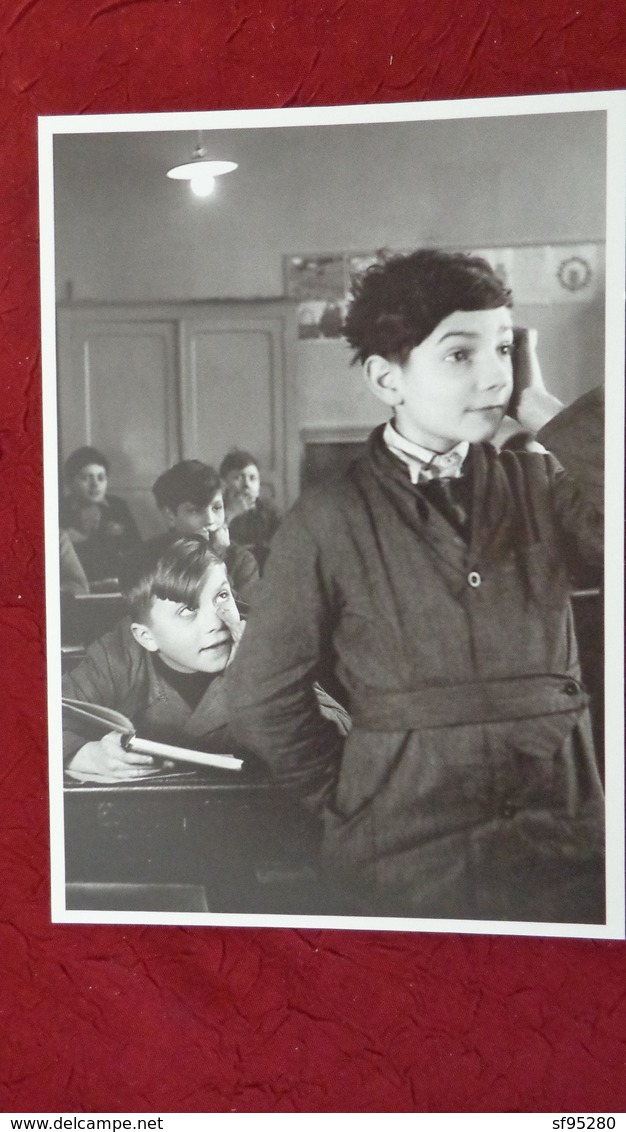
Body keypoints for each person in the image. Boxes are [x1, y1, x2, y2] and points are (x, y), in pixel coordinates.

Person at [228, 248, 605, 925]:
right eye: (461, 355)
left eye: (501, 348)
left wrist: (542, 406)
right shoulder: (327, 518)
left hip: (566, 859)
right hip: (406, 868)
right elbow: (261, 697)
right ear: (386, 378)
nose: (492, 375)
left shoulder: (540, 485)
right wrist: (360, 795)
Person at [63, 536, 349, 782]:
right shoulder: (117, 655)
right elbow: (38, 719)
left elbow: (341, 733)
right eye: (188, 609)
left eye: (222, 596)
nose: (217, 621)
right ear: (146, 636)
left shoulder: (262, 645)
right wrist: (81, 755)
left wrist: (260, 688)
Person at [146, 460, 259, 604]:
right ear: (170, 516)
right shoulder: (152, 559)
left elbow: (244, 616)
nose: (210, 520)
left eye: (217, 508)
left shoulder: (241, 560)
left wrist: (216, 560)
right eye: (195, 511)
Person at [60, 446, 141, 585]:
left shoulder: (118, 507)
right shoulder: (61, 508)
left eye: (101, 478)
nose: (95, 485)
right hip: (79, 585)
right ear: (70, 483)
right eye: (85, 478)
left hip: (115, 583)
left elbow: (138, 550)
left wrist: (122, 536)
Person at [219, 448, 281, 572]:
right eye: (238, 478)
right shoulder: (215, 510)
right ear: (224, 484)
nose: (247, 485)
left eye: (252, 478)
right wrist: (231, 513)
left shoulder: (270, 511)